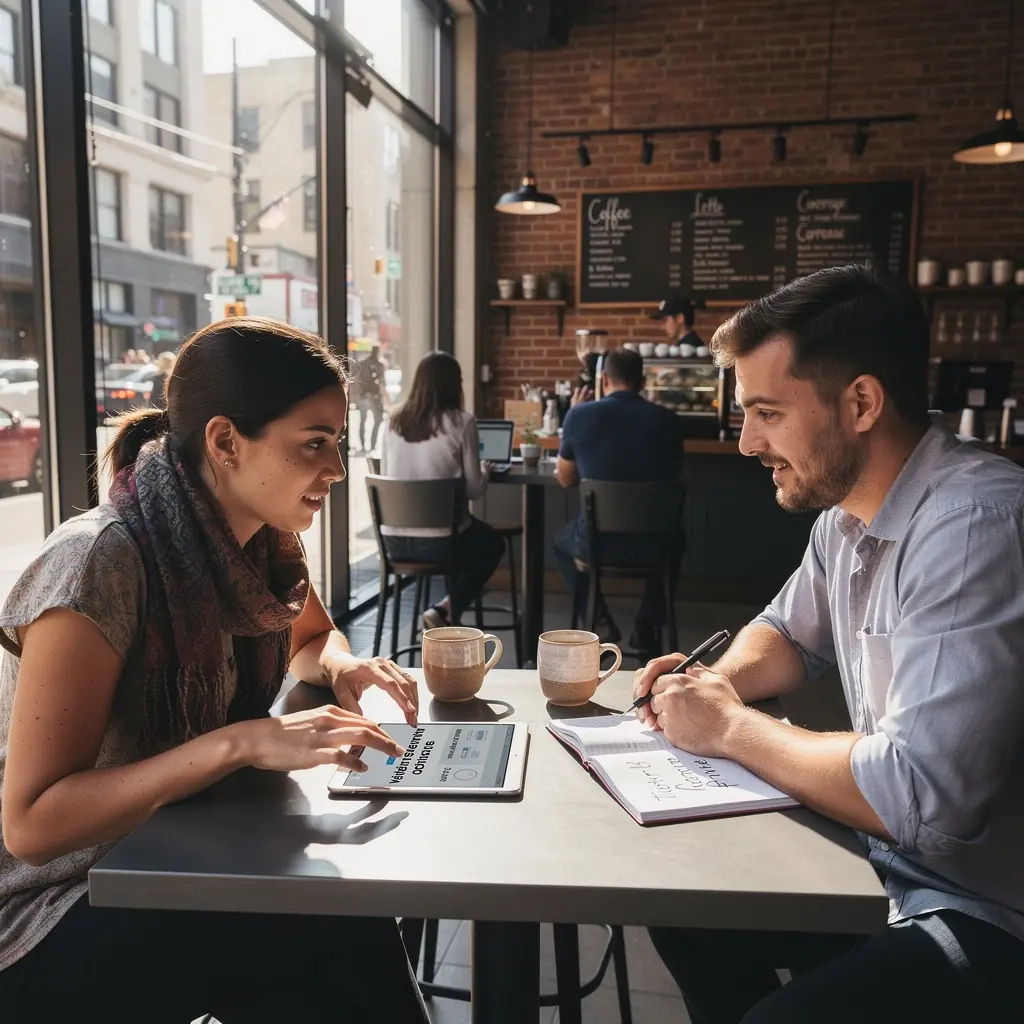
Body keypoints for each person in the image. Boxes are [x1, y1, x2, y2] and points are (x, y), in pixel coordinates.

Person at [0, 317, 430, 1023]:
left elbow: (313, 637)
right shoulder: (100, 563)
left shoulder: (258, 541)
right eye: (314, 444)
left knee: (325, 948)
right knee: (333, 923)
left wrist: (347, 666)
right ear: (227, 442)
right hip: (50, 911)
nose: (337, 469)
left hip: (171, 855)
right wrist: (240, 744)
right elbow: (31, 825)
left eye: (338, 443)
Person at [633, 264, 1024, 1023]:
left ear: (862, 403)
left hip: (985, 909)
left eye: (767, 412)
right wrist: (711, 681)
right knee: (688, 908)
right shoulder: (843, 520)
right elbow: (784, 633)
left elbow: (921, 795)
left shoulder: (976, 526)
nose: (747, 441)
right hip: (888, 867)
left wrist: (729, 726)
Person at [554, 347, 685, 656]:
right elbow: (673, 472)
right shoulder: (668, 420)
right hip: (655, 545)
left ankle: (599, 619)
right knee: (675, 540)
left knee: (561, 543)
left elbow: (565, 478)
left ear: (603, 379)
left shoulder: (580, 414)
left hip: (596, 545)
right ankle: (646, 625)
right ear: (641, 382)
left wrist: (573, 416)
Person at [381, 351, 504, 631]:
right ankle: (447, 610)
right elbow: (474, 491)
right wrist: (485, 471)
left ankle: (448, 620)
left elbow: (390, 476)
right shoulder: (462, 422)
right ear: (454, 384)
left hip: (394, 543)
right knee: (492, 543)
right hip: (442, 543)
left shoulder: (390, 422)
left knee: (467, 537)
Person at [355, 344, 387, 454]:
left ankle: (369, 444)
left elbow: (382, 382)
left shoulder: (377, 364)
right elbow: (358, 380)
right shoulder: (368, 363)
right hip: (368, 395)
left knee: (374, 419)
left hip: (371, 396)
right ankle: (367, 445)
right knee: (366, 419)